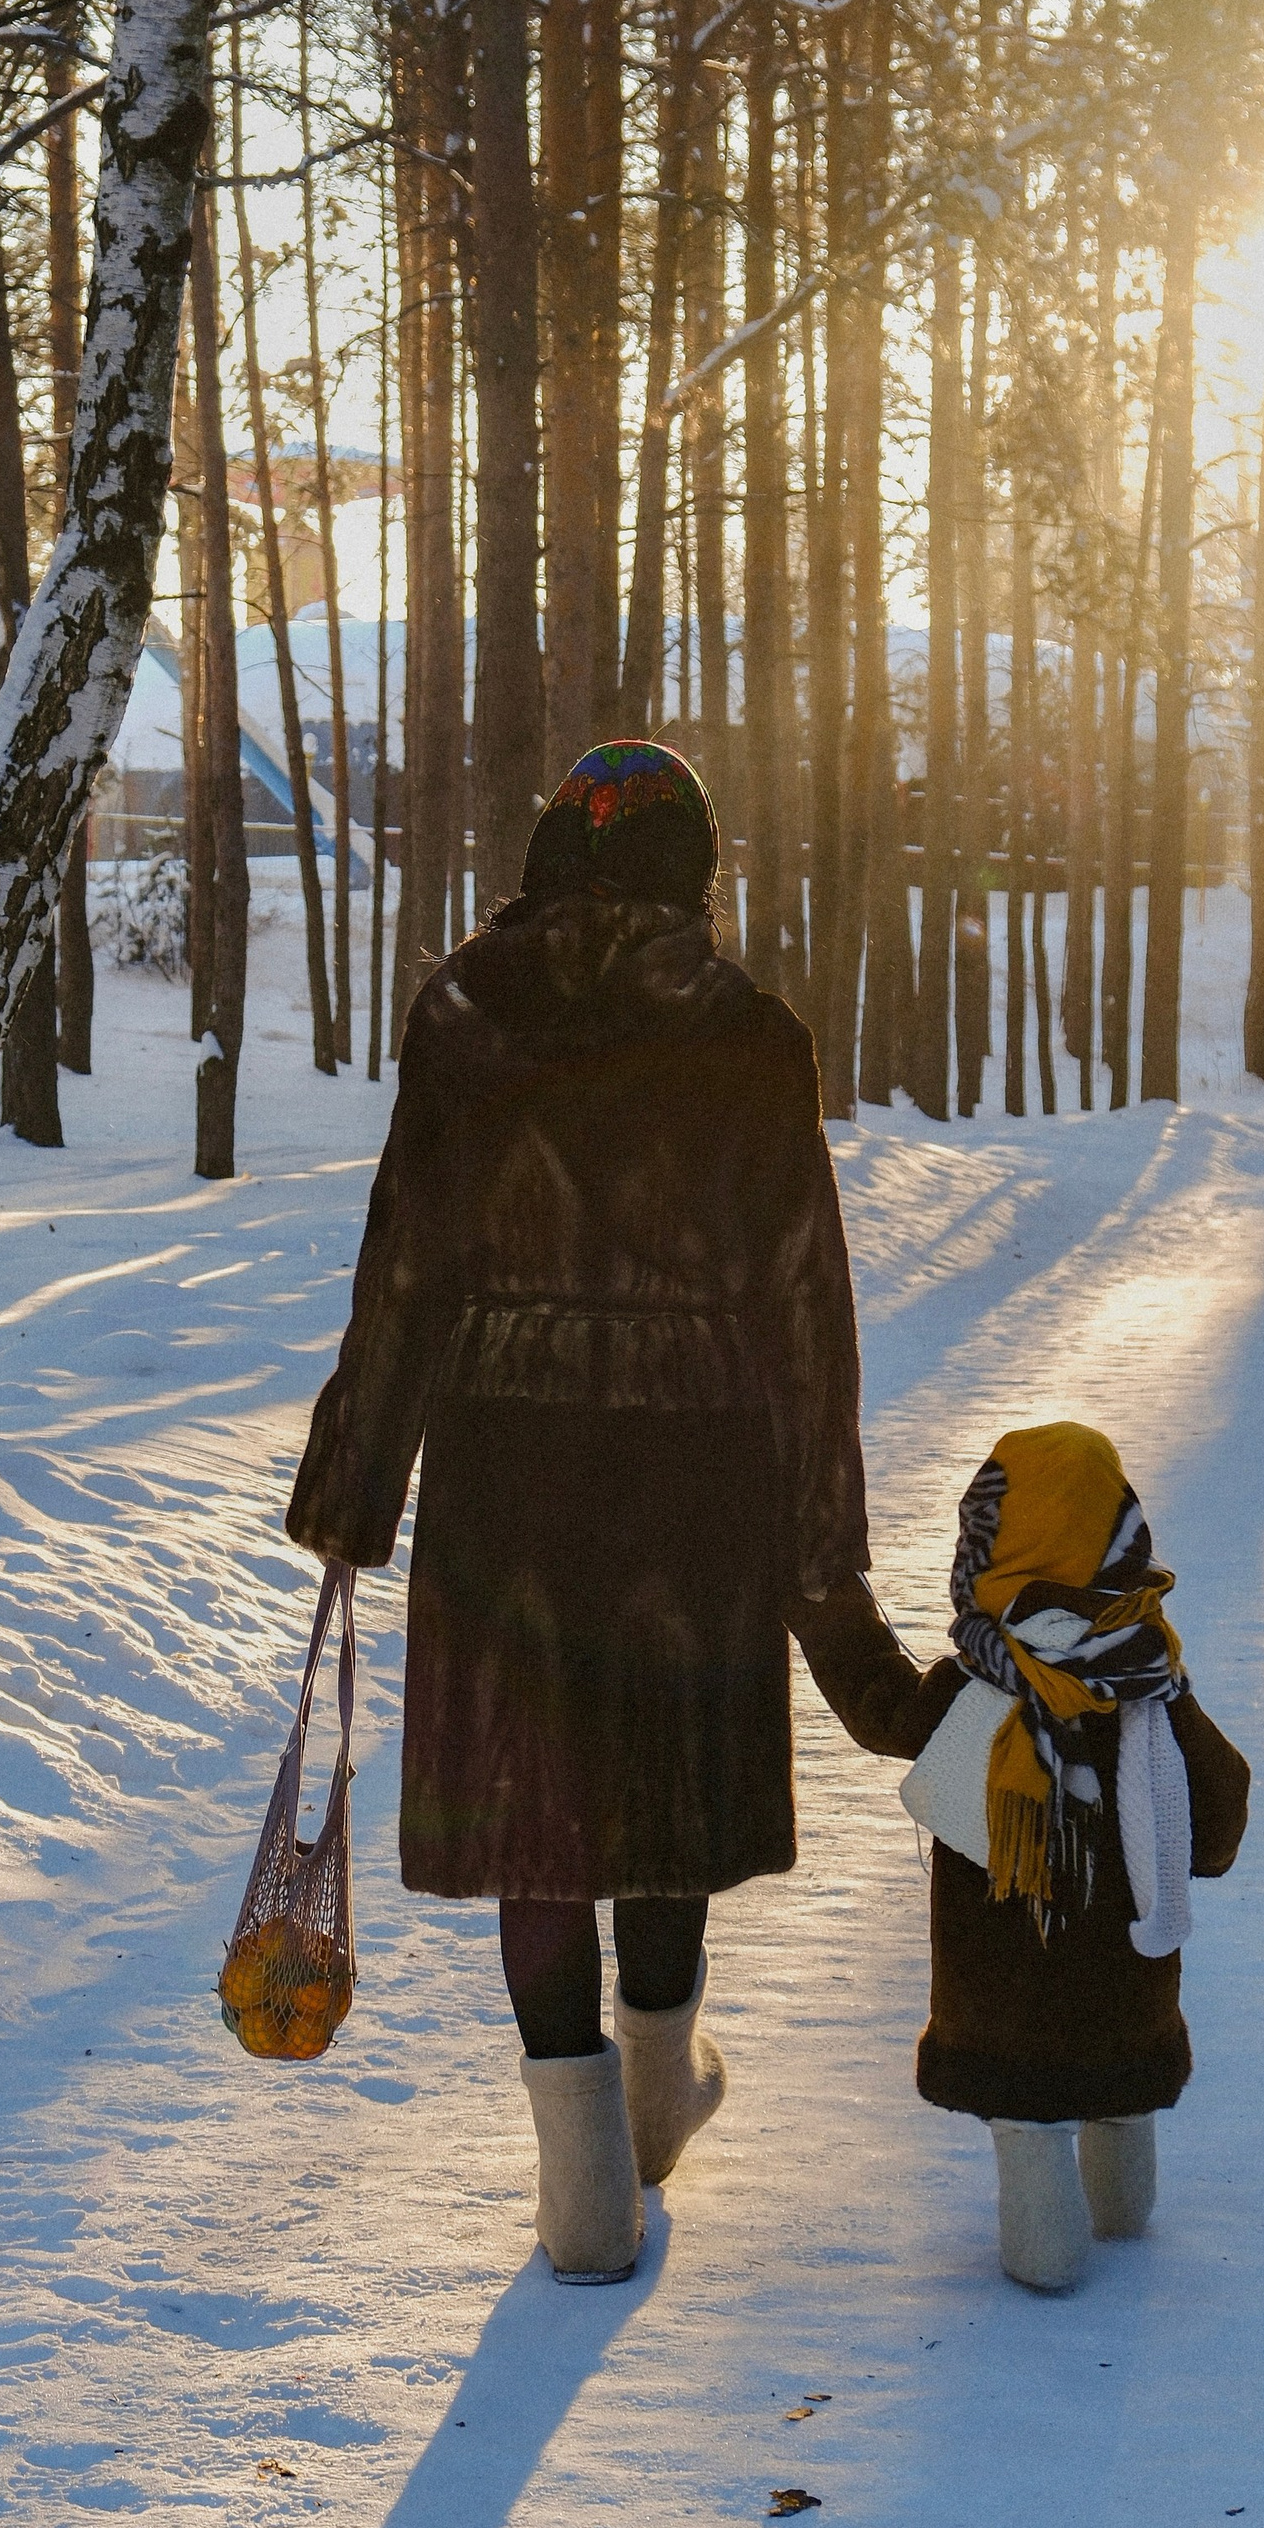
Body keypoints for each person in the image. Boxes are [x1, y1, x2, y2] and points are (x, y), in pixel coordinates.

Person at [285, 741, 868, 2285]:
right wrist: (825, 1563)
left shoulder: (468, 1019)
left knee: (542, 1817)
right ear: (693, 872)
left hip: (510, 1474)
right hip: (700, 1479)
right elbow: (809, 1312)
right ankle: (662, 2090)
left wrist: (359, 1485)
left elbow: (405, 1267)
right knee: (663, 1790)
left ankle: (580, 2187)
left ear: (552, 856)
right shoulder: (754, 1044)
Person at [794, 1422, 1250, 2291]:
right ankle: (1120, 2203)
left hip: (1005, 2005)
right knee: (1122, 2096)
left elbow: (877, 1705)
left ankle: (1047, 2254)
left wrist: (828, 1608)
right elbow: (1220, 1814)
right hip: (1128, 1996)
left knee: (1032, 2133)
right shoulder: (1149, 1674)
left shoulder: (979, 1687)